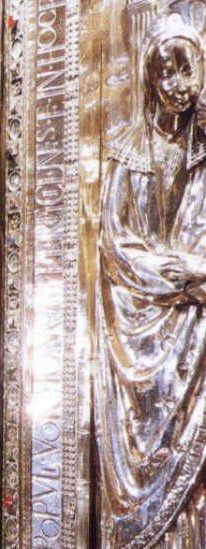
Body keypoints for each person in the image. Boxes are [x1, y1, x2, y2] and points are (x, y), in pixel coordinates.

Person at [96, 15, 206, 547]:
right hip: (137, 335)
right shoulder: (126, 152)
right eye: (166, 72)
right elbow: (115, 245)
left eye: (187, 70)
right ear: (148, 78)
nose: (177, 85)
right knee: (142, 460)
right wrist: (179, 275)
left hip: (196, 343)